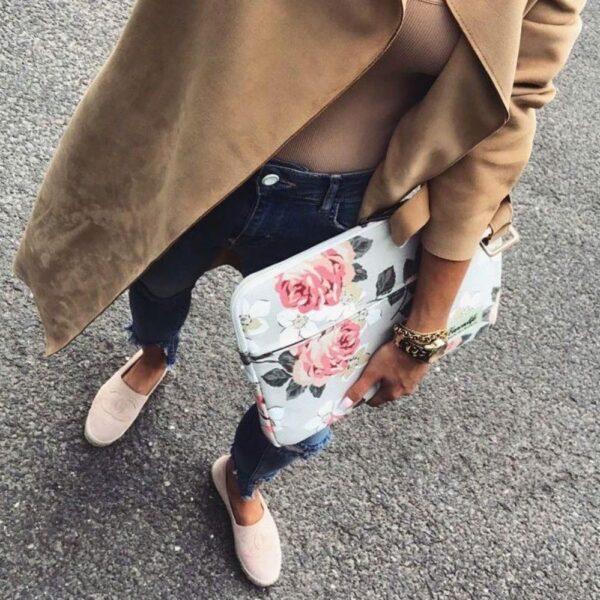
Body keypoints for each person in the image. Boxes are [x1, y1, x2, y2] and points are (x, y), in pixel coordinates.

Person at [12, 0, 586, 588]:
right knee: (159, 281)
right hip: (200, 149)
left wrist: (422, 331)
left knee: (308, 400)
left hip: (352, 215)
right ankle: (153, 356)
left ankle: (242, 480)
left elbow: (504, 118)